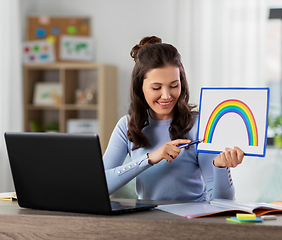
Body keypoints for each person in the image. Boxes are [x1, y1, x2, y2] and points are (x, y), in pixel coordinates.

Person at [103, 36, 244, 201]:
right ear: (140, 87)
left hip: (193, 220)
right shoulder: (126, 126)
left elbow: (222, 201)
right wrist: (150, 158)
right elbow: (101, 184)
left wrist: (221, 167)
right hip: (148, 221)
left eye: (174, 85)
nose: (166, 95)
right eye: (156, 87)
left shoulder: (200, 125)